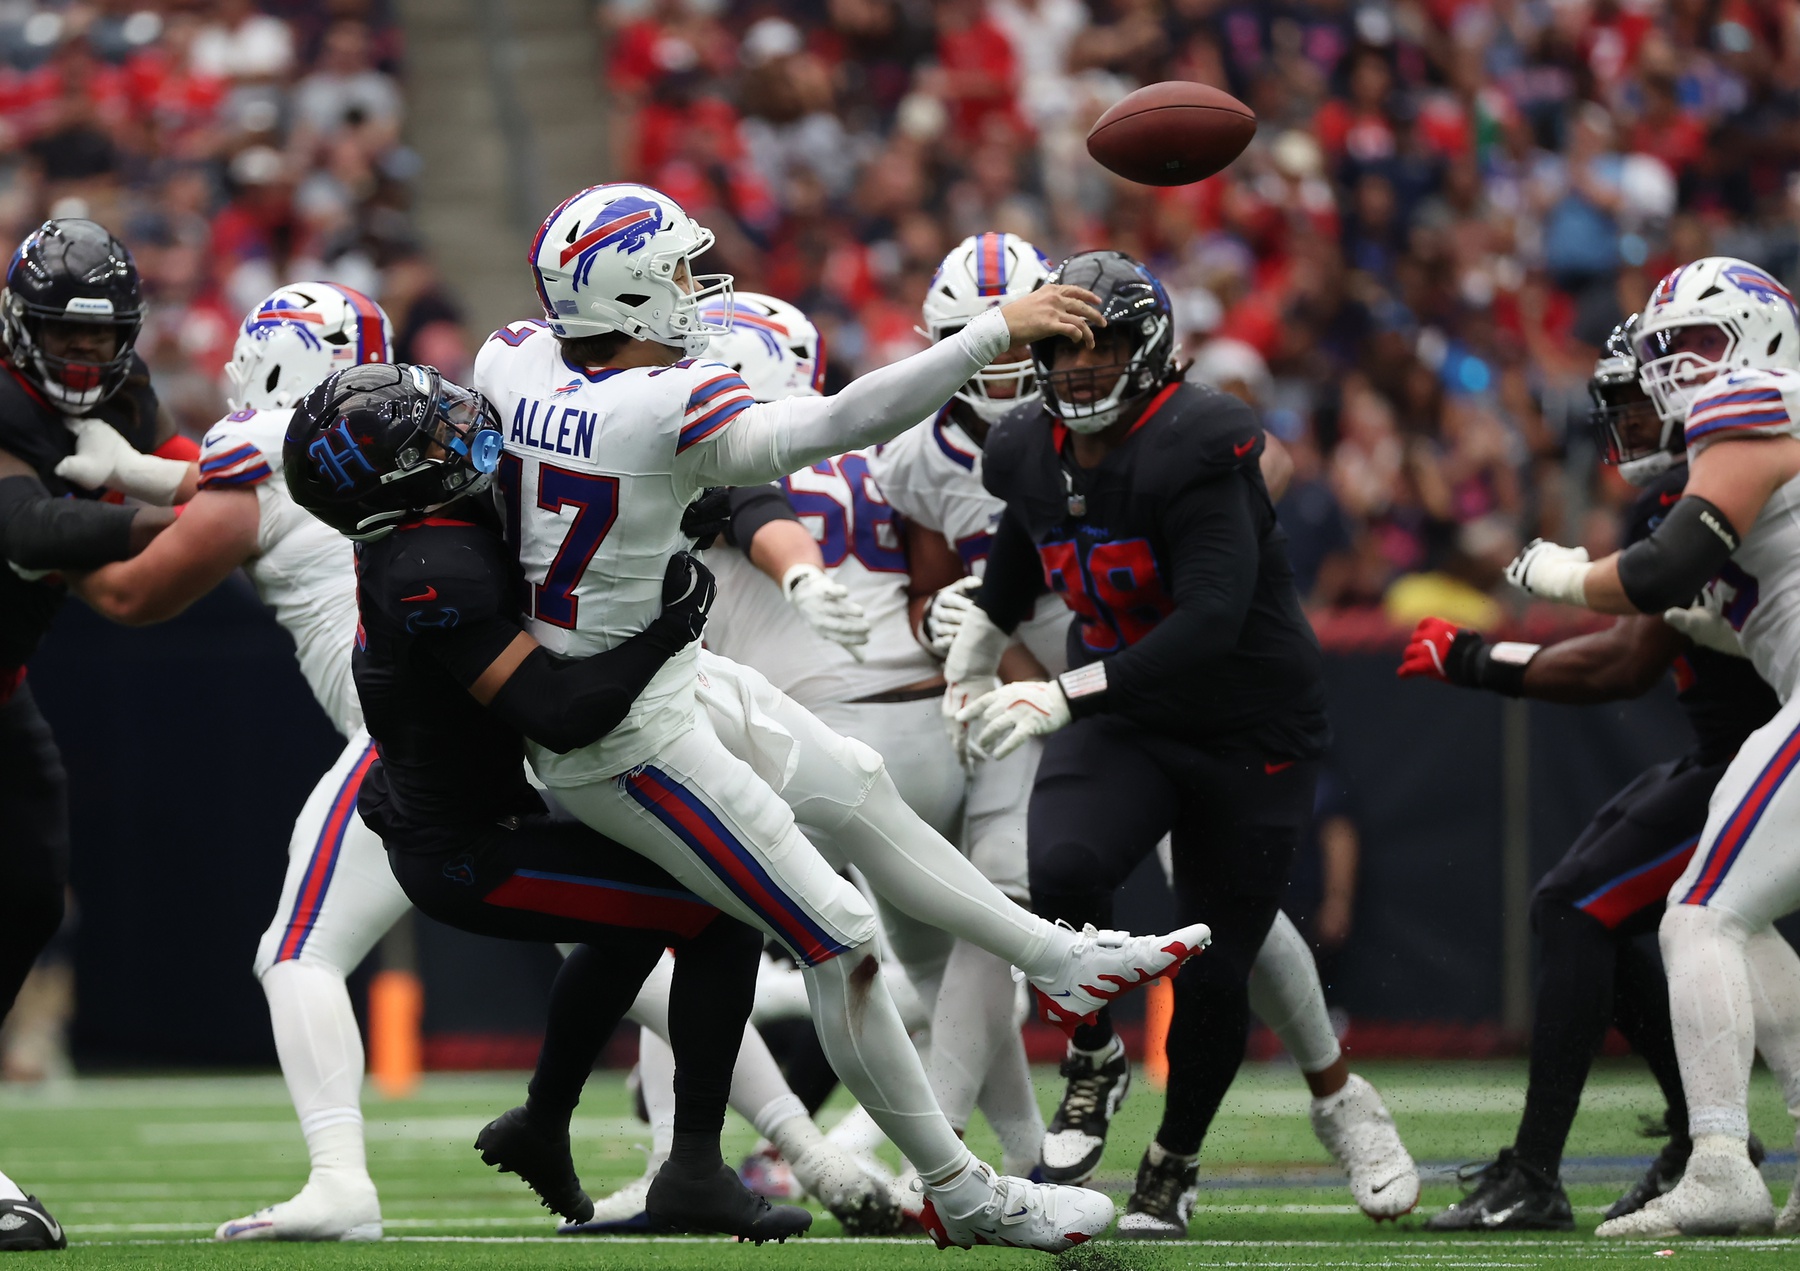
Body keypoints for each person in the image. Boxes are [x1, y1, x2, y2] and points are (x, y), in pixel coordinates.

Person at [470, 182, 1210, 1251]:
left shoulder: (510, 355)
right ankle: (965, 1191)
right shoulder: (658, 408)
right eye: (675, 271)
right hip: (626, 736)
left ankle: (1052, 957)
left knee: (858, 786)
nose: (695, 289)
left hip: (662, 674)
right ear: (624, 291)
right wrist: (994, 334)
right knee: (842, 935)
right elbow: (837, 420)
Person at [877, 236, 1417, 1222]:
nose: (1047, 364)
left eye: (1090, 342)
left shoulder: (1196, 437)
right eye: (1032, 345)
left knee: (1224, 944)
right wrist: (961, 648)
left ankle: (1318, 1106)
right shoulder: (984, 448)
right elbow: (986, 568)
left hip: (1215, 700)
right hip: (1096, 682)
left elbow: (1217, 596)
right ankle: (1091, 1054)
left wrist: (1195, 505)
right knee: (1060, 869)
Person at [284, 361, 810, 1242]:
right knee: (720, 913)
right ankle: (688, 1171)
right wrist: (665, 629)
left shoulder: (430, 529)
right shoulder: (428, 568)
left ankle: (545, 1122)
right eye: (432, 437)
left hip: (481, 816)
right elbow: (563, 713)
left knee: (637, 924)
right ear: (398, 482)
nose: (458, 429)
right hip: (466, 855)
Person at [1402, 318, 1781, 1230]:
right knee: (1575, 909)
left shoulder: (1727, 483)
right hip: (1725, 753)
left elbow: (1624, 657)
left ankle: (1549, 1168)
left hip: (1762, 754)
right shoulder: (1674, 502)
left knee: (1593, 907)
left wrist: (1484, 657)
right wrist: (1485, 656)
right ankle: (1698, 1137)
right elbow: (1634, 650)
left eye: (1644, 407)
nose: (1630, 429)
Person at [1505, 257, 1800, 1238]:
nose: (1675, 371)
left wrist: (1555, 570)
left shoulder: (1760, 405)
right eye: (1665, 351)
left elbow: (1667, 566)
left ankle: (1718, 1159)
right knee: (1743, 919)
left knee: (1700, 914)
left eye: (1696, 346)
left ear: (1761, 339)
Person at [0, 219, 192, 1251]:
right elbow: (27, 526)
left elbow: (204, 474)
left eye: (95, 342)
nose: (80, 362)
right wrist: (174, 508)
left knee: (29, 891)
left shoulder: (122, 390)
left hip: (4, 684)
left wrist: (180, 479)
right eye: (60, 342)